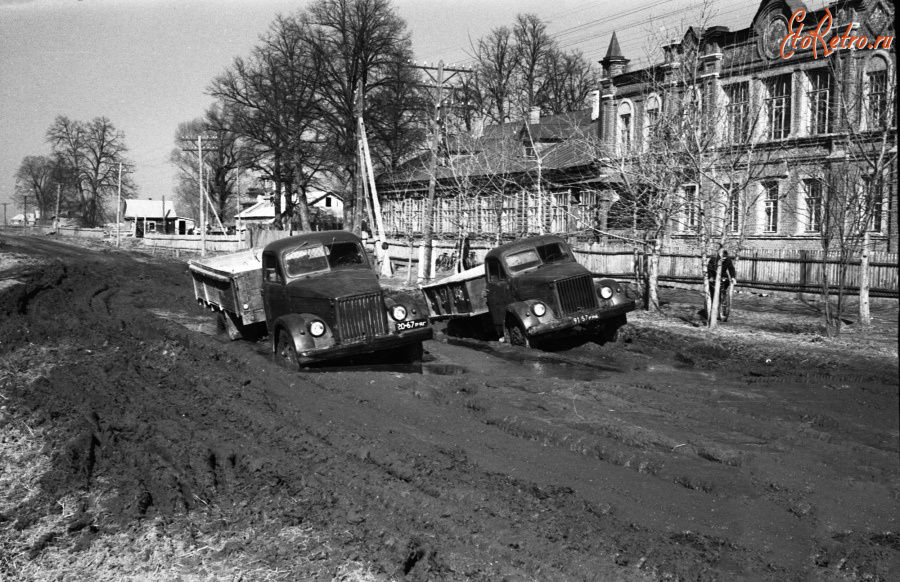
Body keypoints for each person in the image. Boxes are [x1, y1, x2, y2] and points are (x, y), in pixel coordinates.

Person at [707, 249, 737, 321]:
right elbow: (709, 270)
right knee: (713, 292)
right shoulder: (713, 259)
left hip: (723, 276)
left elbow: (731, 269)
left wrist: (733, 277)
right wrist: (710, 277)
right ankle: (712, 309)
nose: (723, 259)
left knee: (726, 283)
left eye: (725, 258)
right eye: (722, 258)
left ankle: (724, 296)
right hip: (714, 276)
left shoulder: (728, 260)